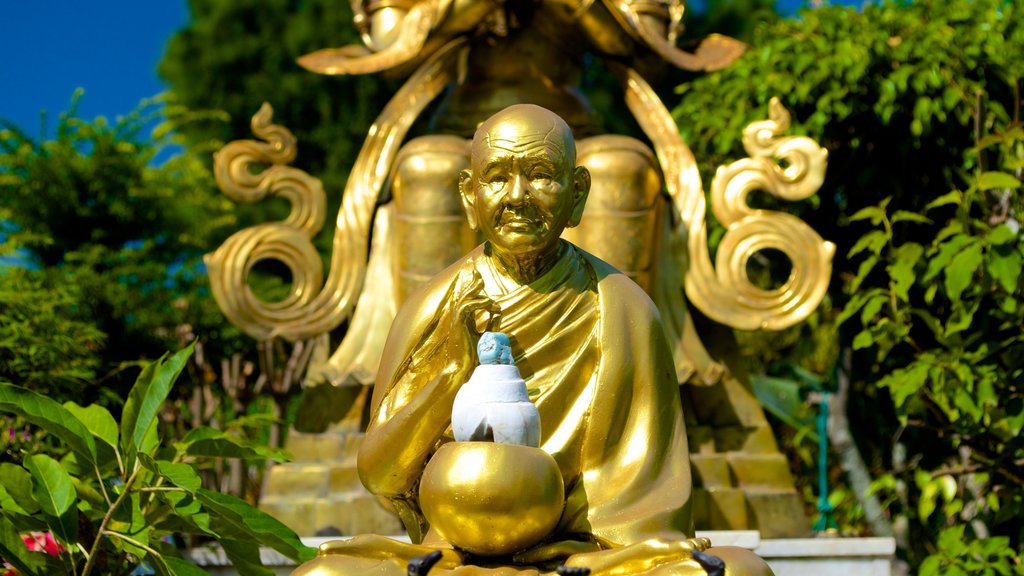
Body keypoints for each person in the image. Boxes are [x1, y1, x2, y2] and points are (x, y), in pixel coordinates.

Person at [291, 104, 773, 576]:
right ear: (469, 195)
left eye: (541, 174)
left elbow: (645, 500)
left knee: (741, 571)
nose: (518, 196)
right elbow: (380, 474)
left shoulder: (621, 305)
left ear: (578, 192)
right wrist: (449, 376)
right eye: (497, 176)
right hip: (456, 548)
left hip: (586, 553)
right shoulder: (433, 306)